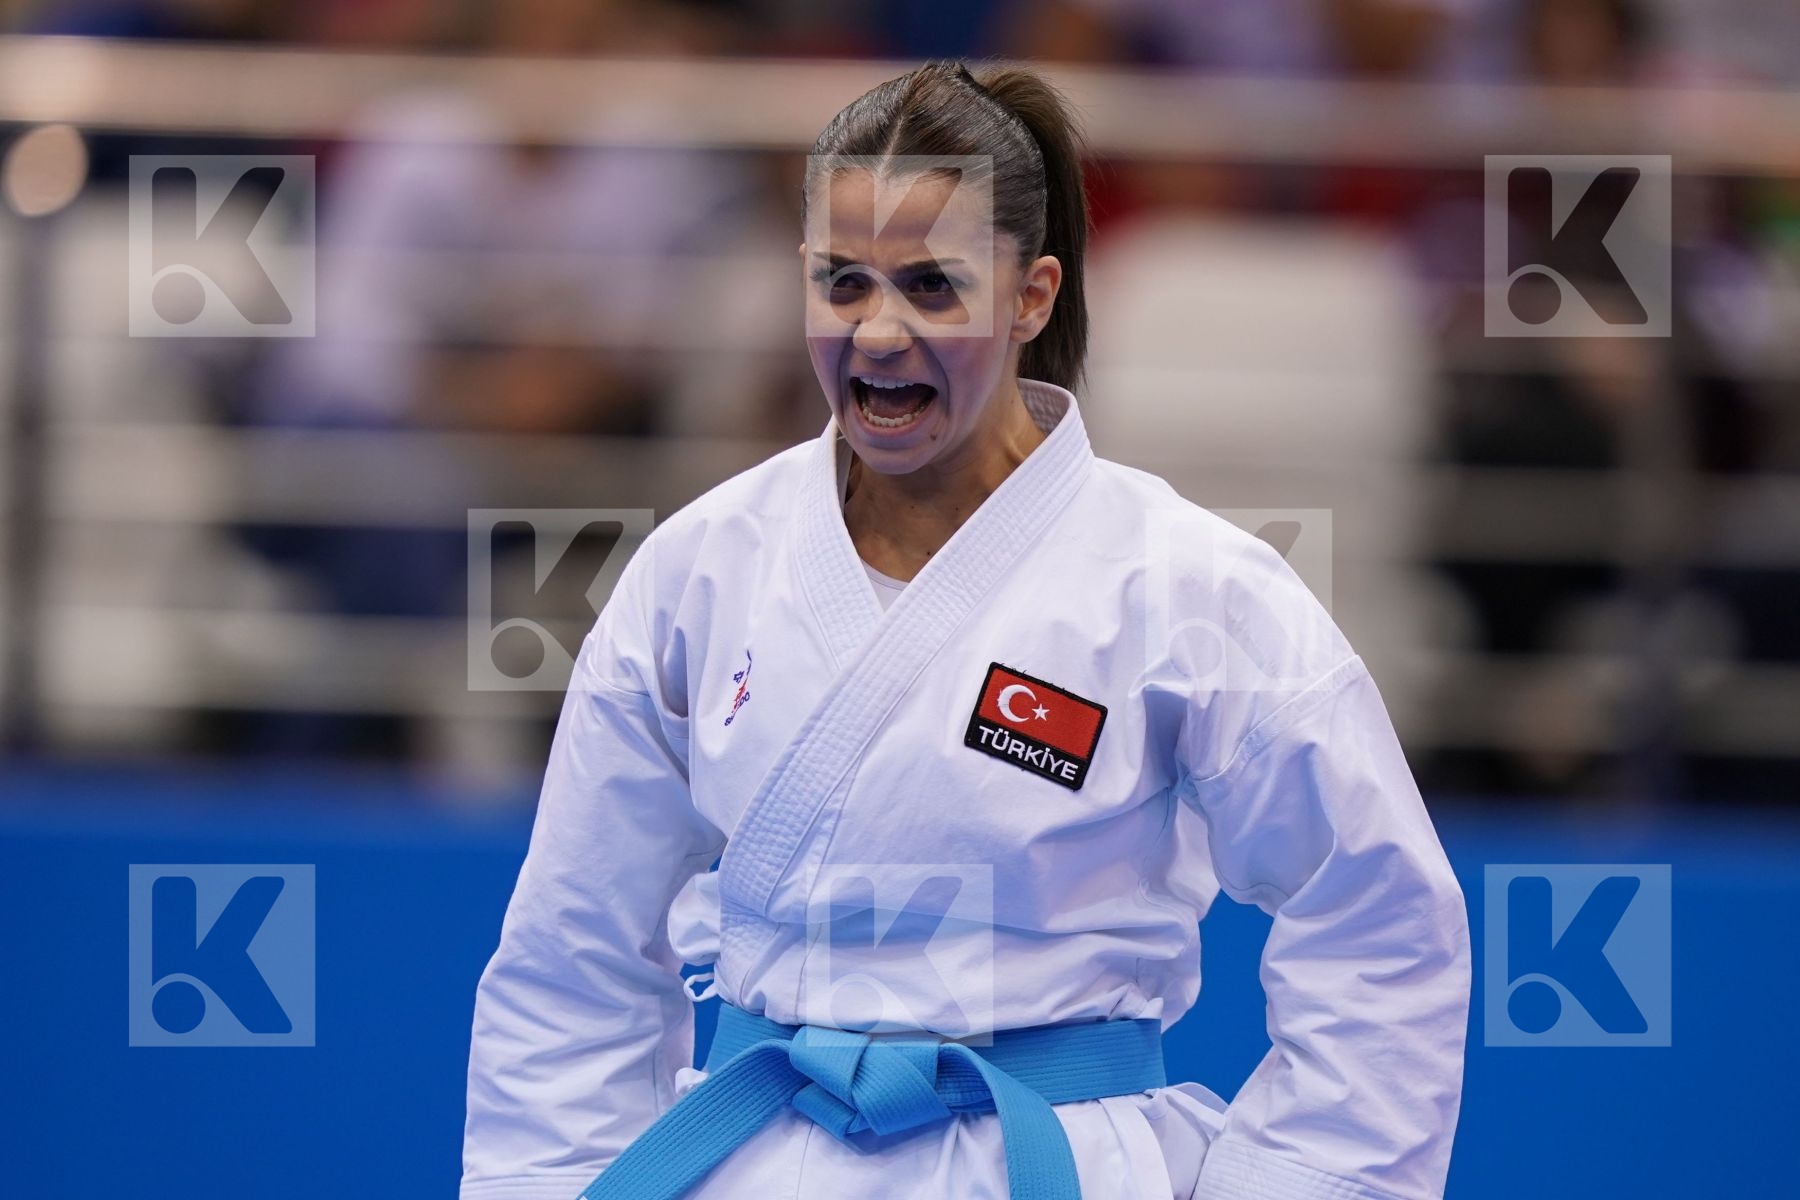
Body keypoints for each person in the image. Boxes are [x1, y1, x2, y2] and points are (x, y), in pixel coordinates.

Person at [461, 60, 1470, 1200]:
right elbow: (573, 952)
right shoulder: (699, 569)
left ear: (1032, 296)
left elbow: (1380, 924)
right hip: (755, 1163)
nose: (877, 333)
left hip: (1049, 1159)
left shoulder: (1185, 585)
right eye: (842, 283)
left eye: (931, 287)